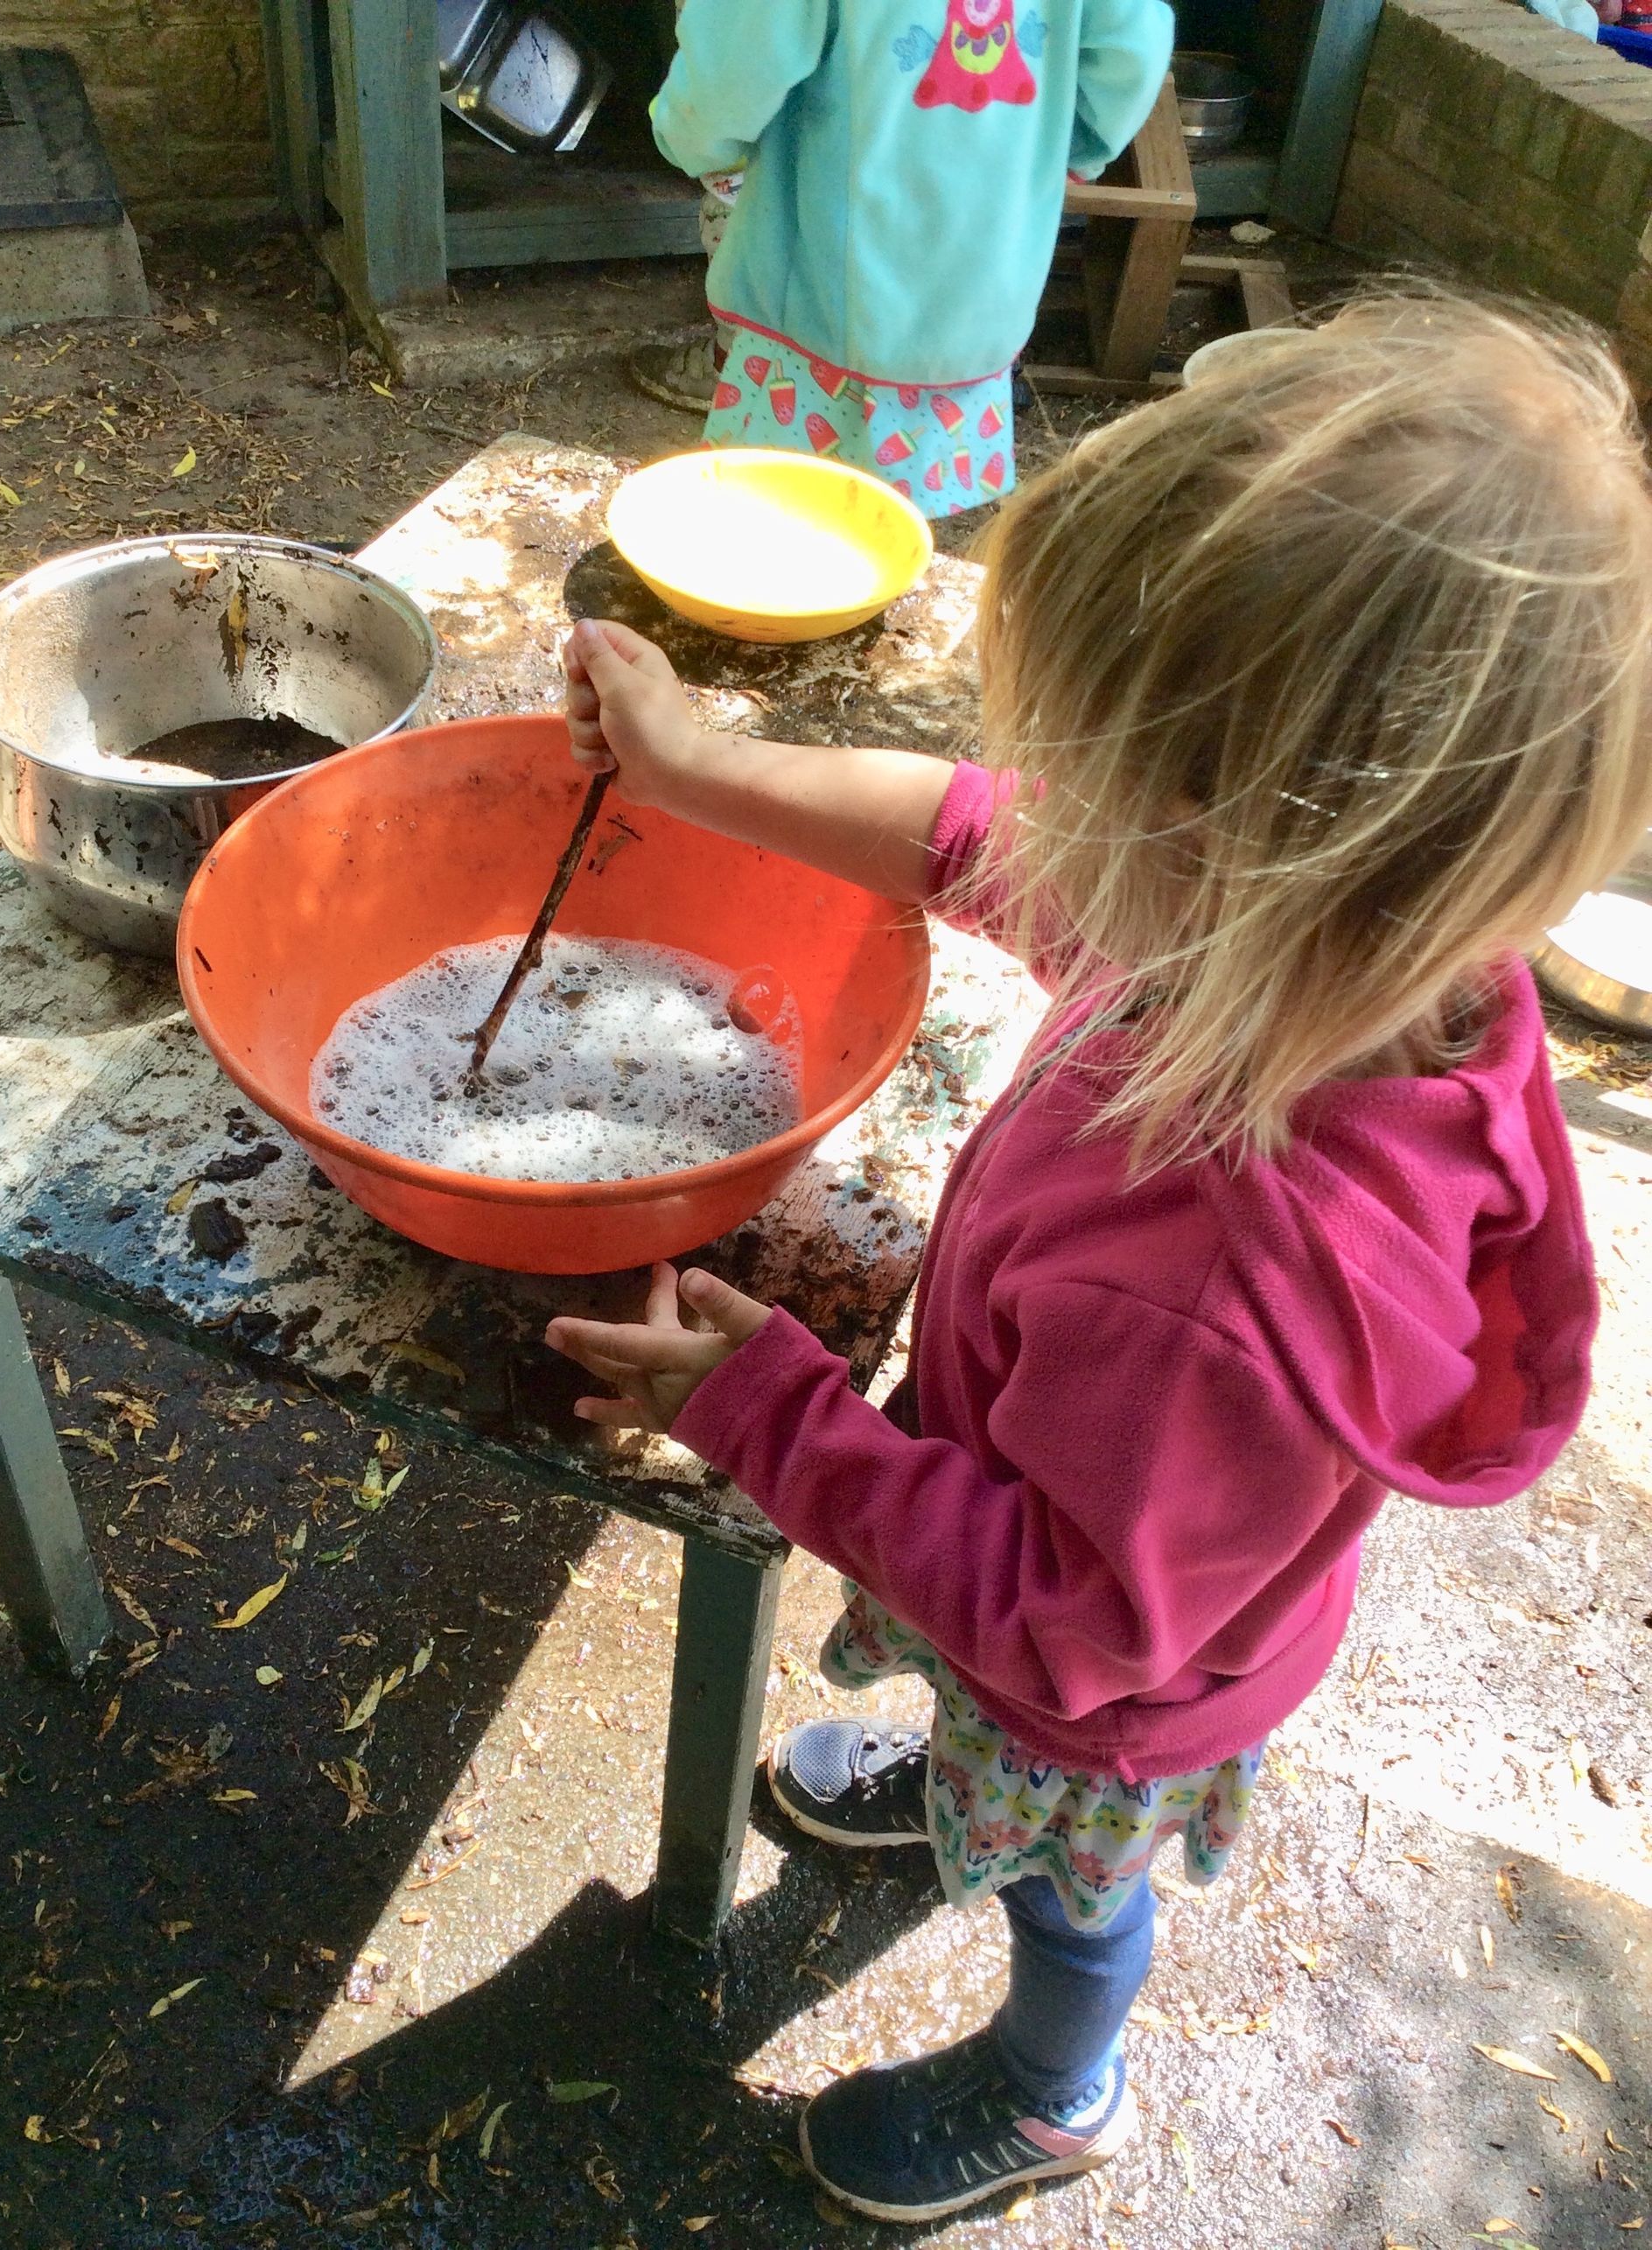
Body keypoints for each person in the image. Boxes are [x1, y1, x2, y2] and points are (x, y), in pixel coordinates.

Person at [548, 292, 1652, 2224]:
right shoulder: (1342, 948)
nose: (1037, 806)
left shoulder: (1219, 1289)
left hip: (1100, 1695)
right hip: (1094, 1569)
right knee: (1013, 1754)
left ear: (1241, 843)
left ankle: (1059, 2085)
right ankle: (963, 1792)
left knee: (1074, 1879)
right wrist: (690, 758)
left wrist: (763, 1409)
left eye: (1098, 772)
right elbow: (970, 837)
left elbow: (1066, 1619)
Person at [635, 0, 1173, 515]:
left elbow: (732, 66)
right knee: (901, 495)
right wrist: (1072, 147)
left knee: (790, 492)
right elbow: (1132, 46)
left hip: (825, 280)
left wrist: (695, 143)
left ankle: (805, 590)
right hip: (986, 258)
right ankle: (884, 562)